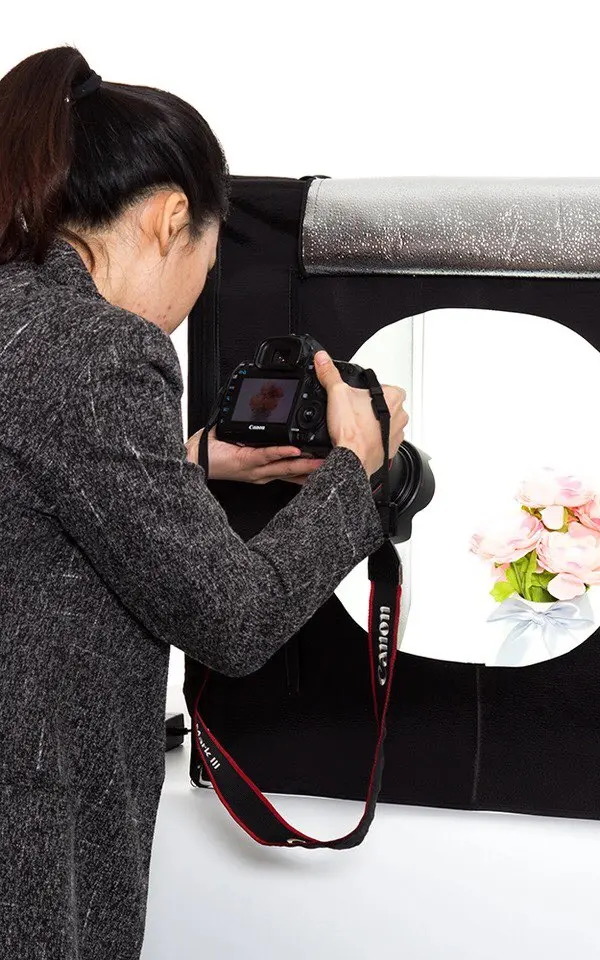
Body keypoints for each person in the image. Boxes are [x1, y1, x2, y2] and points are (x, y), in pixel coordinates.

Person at [0, 45, 409, 959]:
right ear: (170, 218)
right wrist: (354, 469)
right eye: (207, 261)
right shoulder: (98, 349)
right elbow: (233, 618)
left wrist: (186, 461)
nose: (195, 298)